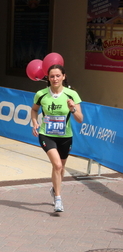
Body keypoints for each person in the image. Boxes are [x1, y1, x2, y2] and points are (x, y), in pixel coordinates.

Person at [31, 64, 83, 212]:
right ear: (48, 78)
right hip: (46, 135)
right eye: (52, 76)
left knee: (61, 168)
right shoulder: (41, 94)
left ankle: (55, 189)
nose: (55, 79)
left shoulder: (72, 94)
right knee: (57, 165)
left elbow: (80, 119)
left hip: (65, 136)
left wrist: (72, 108)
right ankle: (58, 199)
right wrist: (34, 122)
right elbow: (34, 110)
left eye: (58, 76)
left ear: (63, 77)